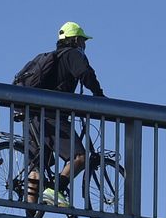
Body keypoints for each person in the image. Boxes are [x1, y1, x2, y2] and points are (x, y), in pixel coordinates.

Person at [21, 21, 106, 208]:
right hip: (51, 116)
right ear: (75, 40)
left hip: (31, 116)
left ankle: (31, 213)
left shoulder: (52, 58)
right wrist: (99, 96)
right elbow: (86, 74)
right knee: (79, 157)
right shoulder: (72, 54)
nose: (84, 45)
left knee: (36, 167)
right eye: (82, 40)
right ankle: (55, 190)